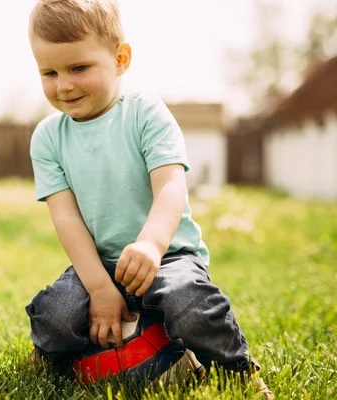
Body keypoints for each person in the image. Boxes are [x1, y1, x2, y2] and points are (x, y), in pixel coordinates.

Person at [24, 0, 272, 398]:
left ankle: (235, 368)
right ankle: (61, 358)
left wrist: (151, 244)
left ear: (120, 58)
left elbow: (171, 186)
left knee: (189, 303)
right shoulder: (48, 138)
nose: (64, 84)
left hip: (167, 256)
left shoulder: (146, 114)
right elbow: (66, 220)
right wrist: (100, 289)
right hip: (100, 263)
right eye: (49, 72)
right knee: (55, 315)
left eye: (79, 68)